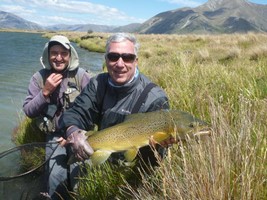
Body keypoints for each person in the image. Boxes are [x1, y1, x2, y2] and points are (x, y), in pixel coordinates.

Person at [58, 32, 173, 168]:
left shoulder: (154, 99)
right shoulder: (97, 84)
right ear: (106, 60)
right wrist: (73, 131)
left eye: (127, 57)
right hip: (100, 155)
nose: (120, 64)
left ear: (136, 61)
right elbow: (76, 112)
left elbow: (153, 162)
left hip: (131, 171)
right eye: (113, 57)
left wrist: (159, 146)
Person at [23, 35, 90, 199]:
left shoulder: (82, 76)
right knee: (55, 179)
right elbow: (29, 111)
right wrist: (45, 92)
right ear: (48, 55)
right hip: (54, 136)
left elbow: (93, 109)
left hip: (80, 135)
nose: (58, 58)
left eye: (63, 53)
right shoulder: (38, 78)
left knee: (81, 178)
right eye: (54, 53)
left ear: (70, 55)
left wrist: (74, 135)